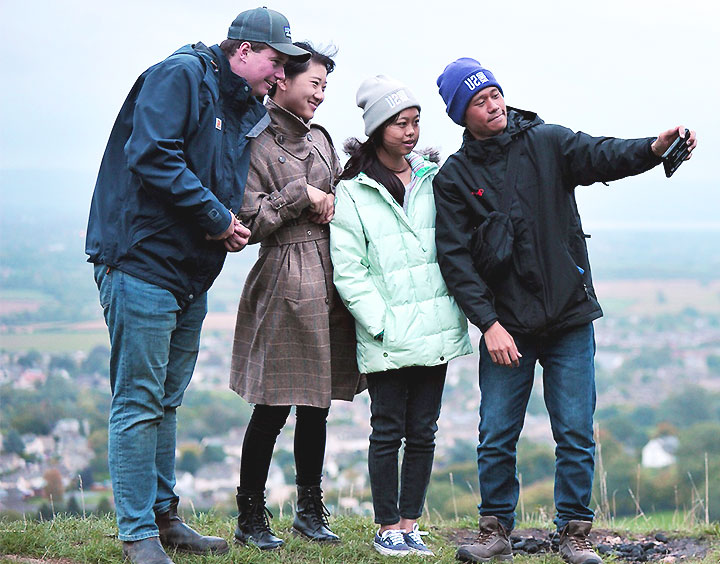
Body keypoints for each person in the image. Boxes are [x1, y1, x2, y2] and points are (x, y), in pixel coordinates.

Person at [432, 58, 697, 564]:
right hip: (506, 328)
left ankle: (574, 533)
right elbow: (455, 260)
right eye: (479, 102)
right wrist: (488, 324)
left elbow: (602, 155)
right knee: (496, 433)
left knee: (575, 430)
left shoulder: (547, 143)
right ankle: (494, 532)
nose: (494, 106)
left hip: (569, 318)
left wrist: (654, 147)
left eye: (495, 94)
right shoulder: (455, 179)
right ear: (460, 114)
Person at [84, 7, 310, 564]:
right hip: (141, 263)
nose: (279, 76)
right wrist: (215, 217)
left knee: (166, 400)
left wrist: (229, 223)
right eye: (275, 62)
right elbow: (152, 154)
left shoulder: (240, 107)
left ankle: (164, 519)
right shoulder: (181, 75)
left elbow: (218, 179)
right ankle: (137, 534)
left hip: (187, 274)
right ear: (242, 50)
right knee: (138, 401)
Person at [330, 75, 473, 557]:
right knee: (387, 430)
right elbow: (350, 271)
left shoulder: (435, 178)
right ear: (376, 130)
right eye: (399, 124)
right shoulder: (353, 191)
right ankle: (386, 525)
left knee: (425, 431)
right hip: (388, 334)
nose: (410, 132)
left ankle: (411, 523)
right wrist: (382, 324)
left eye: (415, 122)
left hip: (434, 327)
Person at [227, 41, 364, 550]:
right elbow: (249, 221)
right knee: (273, 406)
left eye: (326, 86)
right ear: (282, 79)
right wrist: (300, 195)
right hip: (284, 279)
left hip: (331, 277)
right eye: (315, 84)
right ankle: (250, 517)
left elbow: (343, 198)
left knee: (318, 405)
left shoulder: (324, 139)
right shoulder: (255, 143)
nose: (321, 95)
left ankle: (309, 510)